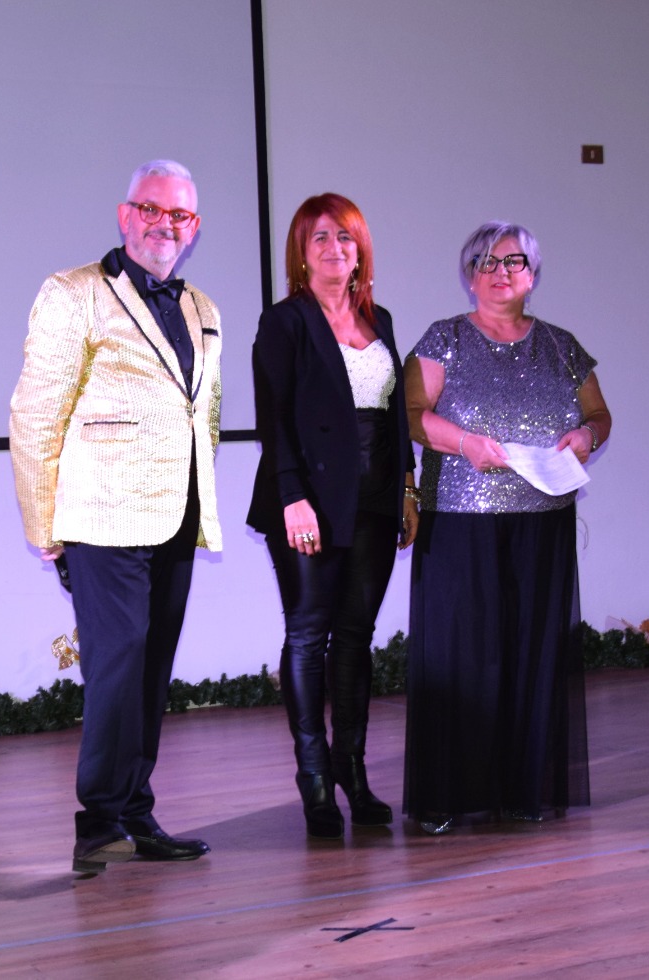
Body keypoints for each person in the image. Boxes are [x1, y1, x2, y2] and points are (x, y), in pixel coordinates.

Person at [10, 160, 222, 873]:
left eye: (179, 215)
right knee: (118, 667)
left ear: (194, 228)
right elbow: (35, 414)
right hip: (101, 518)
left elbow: (204, 415)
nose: (165, 224)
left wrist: (202, 500)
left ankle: (135, 810)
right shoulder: (73, 293)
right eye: (151, 209)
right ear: (126, 215)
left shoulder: (202, 307)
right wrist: (44, 525)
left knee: (151, 669)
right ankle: (98, 820)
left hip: (177, 514)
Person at [401, 222, 610, 834]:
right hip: (458, 522)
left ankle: (523, 789)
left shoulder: (562, 345)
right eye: (487, 262)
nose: (500, 272)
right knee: (462, 658)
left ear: (533, 274)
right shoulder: (444, 338)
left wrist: (586, 436)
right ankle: (448, 797)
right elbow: (412, 416)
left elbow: (599, 415)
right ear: (470, 275)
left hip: (543, 522)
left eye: (514, 261)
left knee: (531, 656)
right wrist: (464, 442)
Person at [247, 194, 418, 838]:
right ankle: (315, 777)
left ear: (360, 248)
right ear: (301, 250)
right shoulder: (284, 321)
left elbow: (395, 416)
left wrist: (408, 489)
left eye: (345, 236)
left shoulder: (382, 319)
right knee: (306, 635)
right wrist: (292, 496)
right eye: (319, 237)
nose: (334, 248)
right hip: (308, 499)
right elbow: (274, 419)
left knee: (354, 637)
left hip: (375, 499)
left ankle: (353, 769)